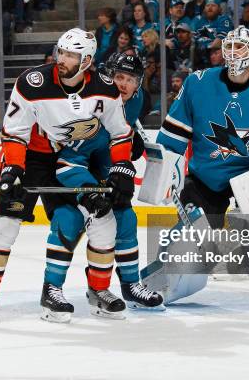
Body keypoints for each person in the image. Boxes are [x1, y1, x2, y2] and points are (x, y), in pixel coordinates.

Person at [0, 28, 134, 328]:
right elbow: (14, 132)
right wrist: (12, 169)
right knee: (4, 225)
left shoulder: (105, 88)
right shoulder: (32, 83)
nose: (62, 59)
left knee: (96, 217)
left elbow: (121, 132)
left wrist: (122, 167)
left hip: (64, 159)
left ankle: (85, 290)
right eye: (61, 51)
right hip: (28, 156)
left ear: (86, 61)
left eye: (71, 55)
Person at [141, 26, 249, 305]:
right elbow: (171, 139)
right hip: (206, 178)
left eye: (241, 48)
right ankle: (167, 278)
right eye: (229, 47)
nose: (233, 54)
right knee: (192, 247)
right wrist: (164, 174)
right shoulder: (198, 83)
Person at [40, 54, 164, 324]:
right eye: (119, 77)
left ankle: (122, 287)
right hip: (64, 169)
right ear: (107, 77)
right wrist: (89, 190)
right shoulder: (88, 105)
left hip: (99, 167)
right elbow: (67, 161)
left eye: (130, 80)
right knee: (68, 221)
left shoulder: (137, 100)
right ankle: (51, 291)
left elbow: (120, 134)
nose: (124, 84)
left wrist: (124, 160)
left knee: (124, 218)